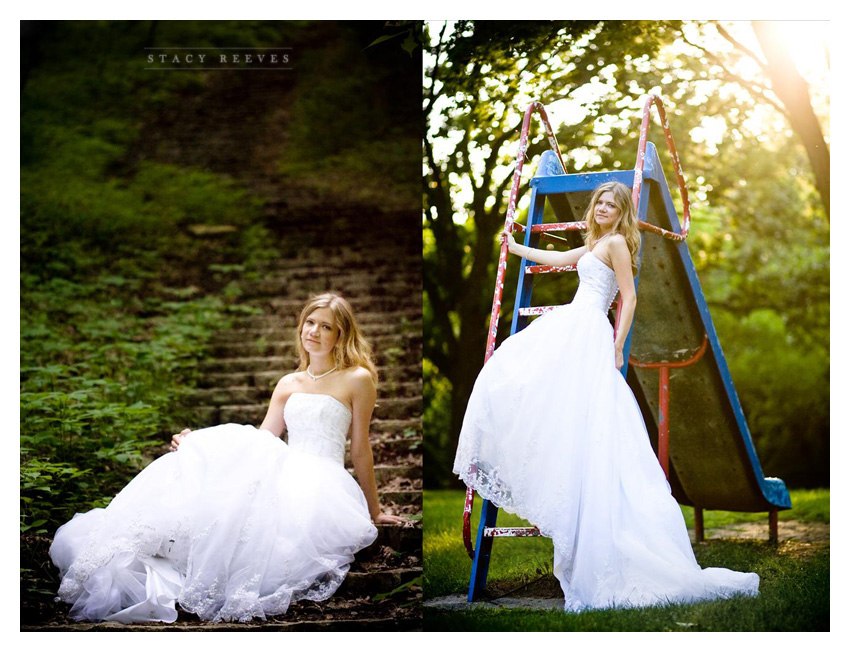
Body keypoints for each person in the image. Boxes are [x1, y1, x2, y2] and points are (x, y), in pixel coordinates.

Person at [453, 181, 759, 612]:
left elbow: (629, 296)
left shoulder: (616, 243)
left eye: (613, 205)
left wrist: (618, 344)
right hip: (572, 325)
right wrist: (516, 247)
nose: (604, 209)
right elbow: (559, 258)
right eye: (601, 203)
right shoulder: (596, 243)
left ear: (621, 214)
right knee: (519, 380)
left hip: (590, 329)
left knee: (573, 407)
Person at [50, 292, 407, 624]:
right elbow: (263, 438)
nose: (314, 331)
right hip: (286, 465)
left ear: (341, 334)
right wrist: (201, 444)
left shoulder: (358, 379)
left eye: (326, 326)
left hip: (324, 481)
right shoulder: (288, 383)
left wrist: (375, 511)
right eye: (310, 323)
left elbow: (360, 447)